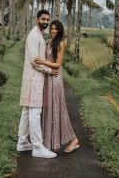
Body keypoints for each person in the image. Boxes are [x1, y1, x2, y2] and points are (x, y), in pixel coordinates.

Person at [17, 9, 58, 159]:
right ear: (37, 20)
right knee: (35, 112)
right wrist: (50, 70)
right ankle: (37, 147)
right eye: (43, 19)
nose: (46, 22)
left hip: (32, 78)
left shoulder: (38, 34)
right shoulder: (34, 36)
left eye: (47, 19)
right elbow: (35, 61)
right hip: (34, 78)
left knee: (27, 111)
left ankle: (22, 142)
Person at [35, 20, 80, 153]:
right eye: (52, 28)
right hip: (48, 78)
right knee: (49, 108)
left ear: (60, 31)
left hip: (54, 79)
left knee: (57, 109)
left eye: (56, 29)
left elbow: (58, 64)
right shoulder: (49, 42)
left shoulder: (59, 44)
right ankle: (48, 141)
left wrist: (43, 61)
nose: (53, 31)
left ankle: (73, 139)